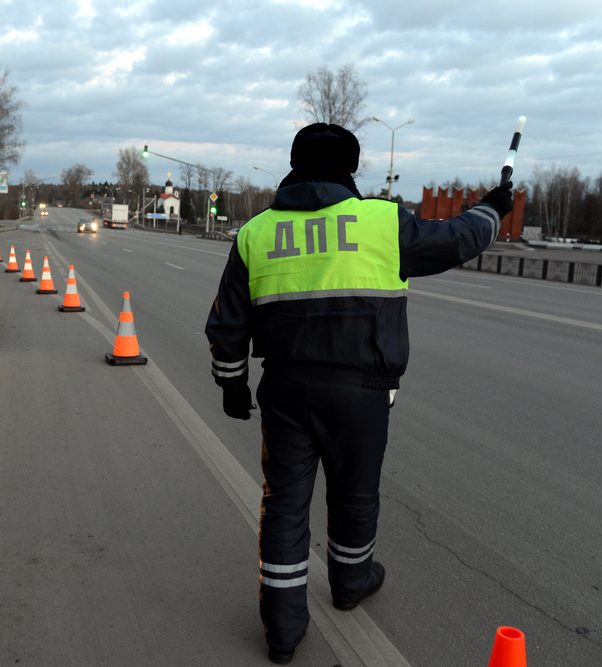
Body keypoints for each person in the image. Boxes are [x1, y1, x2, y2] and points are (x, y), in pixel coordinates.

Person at [204, 123, 514, 665]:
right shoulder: (380, 220)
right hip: (362, 391)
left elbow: (228, 324)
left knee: (284, 505)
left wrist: (232, 381)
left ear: (295, 165)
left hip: (285, 389)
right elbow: (457, 240)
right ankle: (351, 582)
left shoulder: (256, 232)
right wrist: (492, 206)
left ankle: (282, 631)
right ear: (350, 169)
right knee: (355, 492)